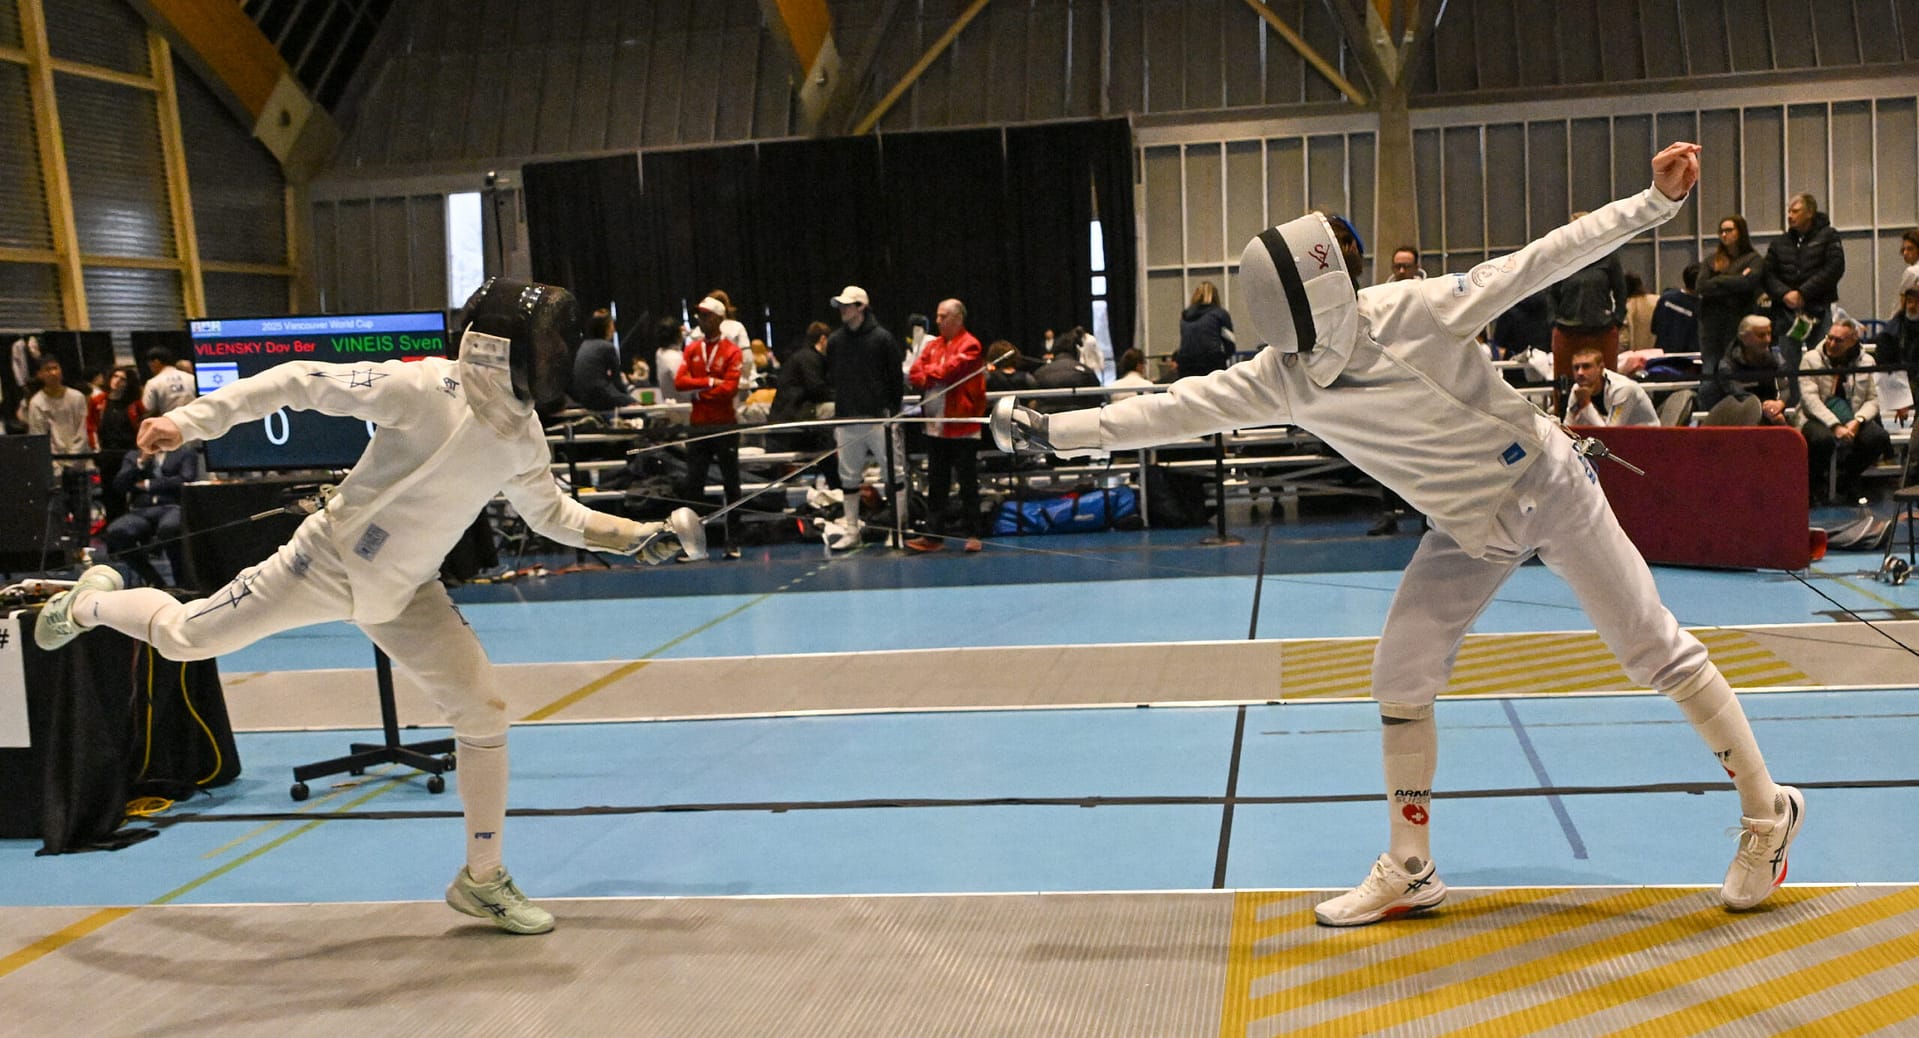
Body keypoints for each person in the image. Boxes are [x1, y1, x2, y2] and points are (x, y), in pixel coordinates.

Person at [991, 142, 1804, 925]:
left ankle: (1768, 815)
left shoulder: (1418, 309)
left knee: (1653, 652)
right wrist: (1051, 434)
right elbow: (1171, 408)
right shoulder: (1278, 377)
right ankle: (1410, 869)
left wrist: (1653, 202)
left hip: (1549, 487)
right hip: (1466, 527)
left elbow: (1542, 257)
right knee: (1399, 678)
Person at [33, 278, 704, 936]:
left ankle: (482, 878)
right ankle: (91, 602)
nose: (557, 357)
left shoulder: (521, 433)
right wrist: (190, 420)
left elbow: (553, 514)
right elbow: (297, 380)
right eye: (548, 343)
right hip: (322, 565)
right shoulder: (421, 387)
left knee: (482, 710)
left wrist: (633, 536)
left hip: (406, 591)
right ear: (503, 346)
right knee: (185, 637)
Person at [822, 285, 903, 550]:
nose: (843, 310)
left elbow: (895, 380)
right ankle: (852, 530)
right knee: (848, 477)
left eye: (848, 305)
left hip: (879, 418)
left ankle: (898, 529)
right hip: (847, 418)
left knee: (894, 473)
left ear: (862, 307)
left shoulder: (883, 339)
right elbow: (831, 376)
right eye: (841, 306)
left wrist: (890, 411)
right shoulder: (835, 341)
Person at [906, 298, 986, 553]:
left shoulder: (971, 344)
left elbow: (948, 372)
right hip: (935, 425)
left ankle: (974, 533)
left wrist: (931, 373)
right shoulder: (932, 346)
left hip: (962, 424)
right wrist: (932, 372)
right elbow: (915, 374)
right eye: (938, 316)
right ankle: (933, 536)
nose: (938, 321)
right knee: (937, 482)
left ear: (958, 318)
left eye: (943, 317)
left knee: (967, 482)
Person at [677, 296, 745, 559]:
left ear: (717, 318)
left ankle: (734, 540)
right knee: (693, 484)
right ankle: (693, 543)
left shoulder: (732, 351)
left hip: (724, 425)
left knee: (732, 485)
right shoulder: (692, 349)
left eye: (705, 316)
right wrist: (709, 382)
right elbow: (680, 382)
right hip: (698, 427)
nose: (700, 320)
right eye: (699, 316)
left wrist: (699, 390)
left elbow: (729, 389)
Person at [1797, 317, 1888, 505]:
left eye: (1838, 340)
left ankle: (1845, 480)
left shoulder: (1867, 361)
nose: (1831, 343)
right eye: (1829, 338)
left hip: (1853, 416)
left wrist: (1859, 420)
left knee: (1877, 438)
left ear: (1853, 341)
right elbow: (1810, 400)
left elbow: (1873, 399)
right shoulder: (1811, 359)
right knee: (1822, 439)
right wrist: (1835, 425)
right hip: (1815, 417)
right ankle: (1815, 484)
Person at [1763, 193, 1845, 399]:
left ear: (1810, 213)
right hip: (1787, 314)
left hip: (1818, 309)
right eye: (1788, 211)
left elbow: (1834, 268)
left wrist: (1803, 293)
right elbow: (1768, 274)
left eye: (1795, 211)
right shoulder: (1779, 243)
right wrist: (1785, 294)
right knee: (1789, 363)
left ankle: (1824, 404)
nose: (1790, 215)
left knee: (1822, 359)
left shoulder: (1829, 236)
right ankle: (1794, 406)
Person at [103, 444, 201, 587]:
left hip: (172, 506)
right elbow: (120, 484)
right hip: (141, 510)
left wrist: (149, 484)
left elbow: (186, 479)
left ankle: (182, 584)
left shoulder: (185, 452)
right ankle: (154, 580)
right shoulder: (133, 456)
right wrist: (141, 463)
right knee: (116, 531)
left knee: (170, 528)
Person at [24, 356, 93, 549]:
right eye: (47, 369)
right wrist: (54, 465)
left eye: (55, 368)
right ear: (40, 374)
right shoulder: (37, 402)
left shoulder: (76, 397)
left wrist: (74, 458)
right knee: (57, 512)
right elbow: (38, 436)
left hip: (79, 463)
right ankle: (61, 552)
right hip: (53, 466)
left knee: (82, 510)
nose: (52, 373)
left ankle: (82, 550)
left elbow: (83, 429)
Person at [1547, 221, 1626, 378]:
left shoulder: (1609, 256)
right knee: (1564, 385)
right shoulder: (1560, 257)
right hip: (1567, 332)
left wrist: (1617, 319)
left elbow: (1621, 290)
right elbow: (1551, 292)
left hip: (1602, 331)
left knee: (1607, 381)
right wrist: (1554, 319)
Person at [1698, 214, 1762, 379]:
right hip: (1711, 329)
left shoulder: (1753, 259)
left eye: (1729, 230)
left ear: (1740, 232)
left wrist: (1718, 280)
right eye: (1721, 231)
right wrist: (1736, 279)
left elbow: (1748, 284)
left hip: (1739, 326)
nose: (1724, 235)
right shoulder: (1712, 261)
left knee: (1736, 373)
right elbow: (1702, 286)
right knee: (1710, 374)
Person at [1698, 314, 1789, 426]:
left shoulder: (1776, 359)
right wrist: (1767, 409)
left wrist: (1778, 404)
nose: (1767, 340)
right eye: (1761, 335)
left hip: (1769, 413)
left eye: (1769, 334)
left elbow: (1784, 388)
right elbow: (1740, 396)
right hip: (1735, 419)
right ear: (1745, 338)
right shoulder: (1726, 366)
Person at [92, 365, 146, 523]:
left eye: (123, 379)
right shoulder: (98, 402)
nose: (117, 381)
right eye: (115, 377)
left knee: (131, 492)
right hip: (107, 455)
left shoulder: (135, 404)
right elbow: (91, 426)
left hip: (129, 455)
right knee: (109, 494)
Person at [1563, 344, 1658, 426]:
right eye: (1576, 368)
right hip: (1621, 440)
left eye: (1586, 366)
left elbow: (1610, 434)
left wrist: (1586, 404)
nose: (1580, 372)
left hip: (1647, 439)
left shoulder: (1623, 388)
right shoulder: (1578, 389)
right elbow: (1567, 426)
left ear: (1600, 368)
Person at [568, 308, 636, 411]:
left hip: (583, 399)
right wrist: (628, 399)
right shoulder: (607, 347)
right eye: (612, 325)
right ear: (606, 327)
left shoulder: (584, 345)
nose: (614, 330)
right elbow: (617, 381)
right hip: (600, 395)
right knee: (636, 407)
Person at [1031, 325, 1101, 412]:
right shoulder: (1086, 372)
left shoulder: (1039, 373)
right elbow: (1098, 400)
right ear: (1076, 351)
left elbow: (1032, 403)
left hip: (1048, 421)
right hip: (1080, 421)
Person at [1175, 281, 1235, 379]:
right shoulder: (1220, 314)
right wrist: (1222, 358)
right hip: (1211, 363)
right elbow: (1230, 345)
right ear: (1215, 296)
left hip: (1186, 366)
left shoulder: (1185, 315)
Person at [1648, 262, 1701, 357]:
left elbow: (1654, 328)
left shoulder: (1666, 298)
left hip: (1661, 357)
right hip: (1685, 360)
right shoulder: (1699, 308)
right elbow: (1696, 343)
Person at [140, 347, 196, 417]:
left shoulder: (153, 382)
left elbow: (147, 408)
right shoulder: (191, 378)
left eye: (150, 363)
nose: (150, 367)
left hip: (169, 423)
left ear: (156, 362)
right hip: (192, 421)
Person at [1620, 272, 1659, 355]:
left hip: (1637, 358)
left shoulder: (1627, 307)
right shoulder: (1657, 300)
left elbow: (1624, 340)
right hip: (1658, 355)